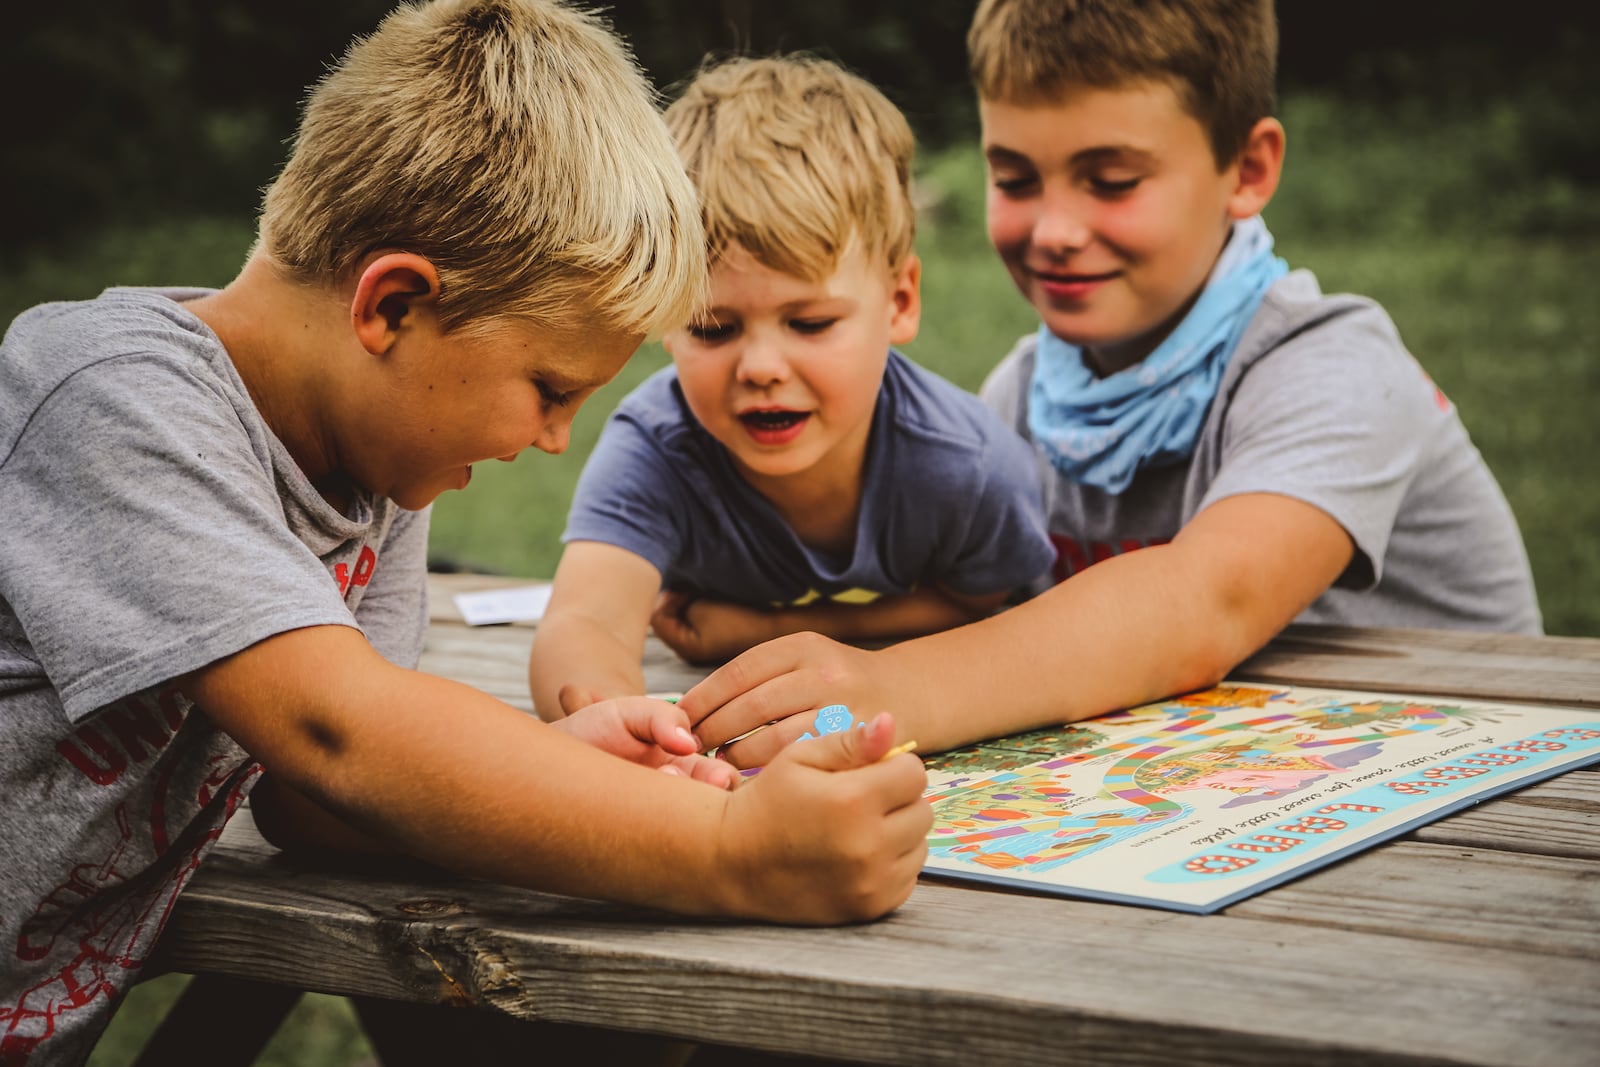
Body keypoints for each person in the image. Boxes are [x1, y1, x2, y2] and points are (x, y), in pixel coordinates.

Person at [0, 3, 929, 1063]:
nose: (552, 439)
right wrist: (733, 849)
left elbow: (316, 801)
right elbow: (339, 735)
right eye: (547, 386)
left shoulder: (370, 462)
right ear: (392, 305)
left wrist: (551, 770)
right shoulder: (104, 395)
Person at [676, 0, 1541, 768]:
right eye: (1014, 178)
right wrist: (765, 637)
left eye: (1112, 181)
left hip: (1485, 794)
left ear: (1247, 169)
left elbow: (1204, 606)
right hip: (1220, 790)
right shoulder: (1019, 396)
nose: (1054, 228)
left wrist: (884, 689)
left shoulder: (1339, 368)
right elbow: (989, 619)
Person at [528, 54, 1054, 719]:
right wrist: (609, 720)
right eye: (714, 328)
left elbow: (985, 601)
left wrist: (768, 633)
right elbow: (584, 622)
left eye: (809, 322)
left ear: (900, 301)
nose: (761, 367)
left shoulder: (968, 466)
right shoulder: (657, 450)